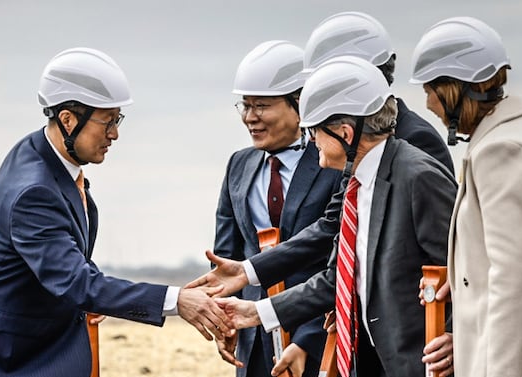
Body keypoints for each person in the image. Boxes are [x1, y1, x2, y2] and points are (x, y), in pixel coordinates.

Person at [0, 47, 230, 377]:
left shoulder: (45, 155)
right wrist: (175, 300)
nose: (115, 134)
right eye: (107, 122)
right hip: (0, 366)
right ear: (67, 119)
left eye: (118, 120)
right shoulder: (33, 191)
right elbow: (77, 281)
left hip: (27, 356)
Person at [214, 56, 457, 377]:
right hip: (387, 375)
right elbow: (337, 279)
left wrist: (459, 336)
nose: (311, 143)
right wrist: (257, 311)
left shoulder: (418, 176)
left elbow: (463, 268)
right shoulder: (358, 181)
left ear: (345, 132)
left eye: (315, 133)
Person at [187, 10, 452, 301]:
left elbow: (444, 255)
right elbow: (332, 227)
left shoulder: (412, 141)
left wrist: (448, 330)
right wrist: (248, 273)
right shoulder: (349, 144)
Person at [214, 40, 352, 377]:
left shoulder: (336, 164)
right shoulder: (238, 165)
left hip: (319, 345)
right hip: (256, 352)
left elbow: (337, 261)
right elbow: (228, 252)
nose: (249, 117)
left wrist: (306, 342)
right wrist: (223, 320)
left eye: (261, 106)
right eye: (245, 106)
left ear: (299, 103)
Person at [410, 16, 522, 377]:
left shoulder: (500, 149)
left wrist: (504, 373)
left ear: (453, 90)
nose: (427, 105)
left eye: (429, 91)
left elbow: (512, 269)